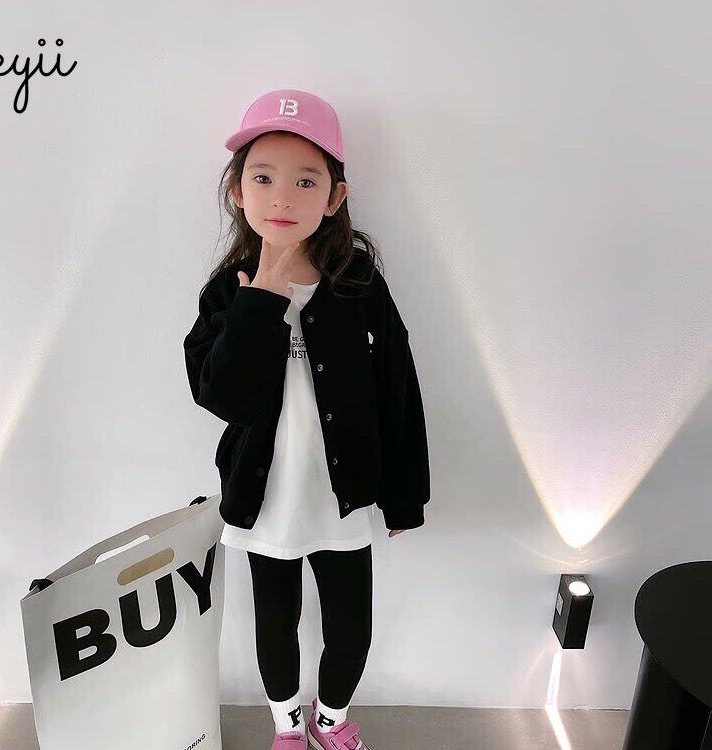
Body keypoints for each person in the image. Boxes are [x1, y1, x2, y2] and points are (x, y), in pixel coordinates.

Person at [183, 88, 431, 750]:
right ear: (237, 189)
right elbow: (223, 397)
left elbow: (398, 387)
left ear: (334, 196)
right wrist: (261, 301)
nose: (283, 198)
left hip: (342, 496)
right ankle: (287, 727)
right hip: (265, 499)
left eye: (305, 180)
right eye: (263, 177)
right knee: (276, 623)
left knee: (351, 628)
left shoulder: (357, 284)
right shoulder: (227, 291)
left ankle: (330, 720)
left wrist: (405, 495)